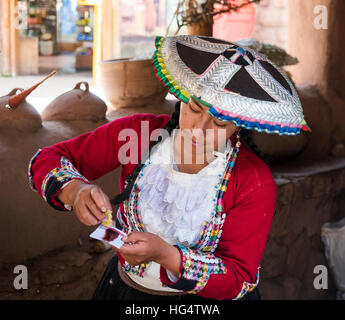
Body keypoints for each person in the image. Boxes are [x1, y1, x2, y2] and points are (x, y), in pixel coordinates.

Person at [28, 35, 311, 300]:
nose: (199, 129)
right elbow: (48, 158)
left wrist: (167, 255)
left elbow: (238, 276)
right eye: (195, 108)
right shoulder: (138, 135)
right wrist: (75, 191)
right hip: (125, 291)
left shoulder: (253, 180)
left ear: (239, 122)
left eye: (220, 122)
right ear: (182, 97)